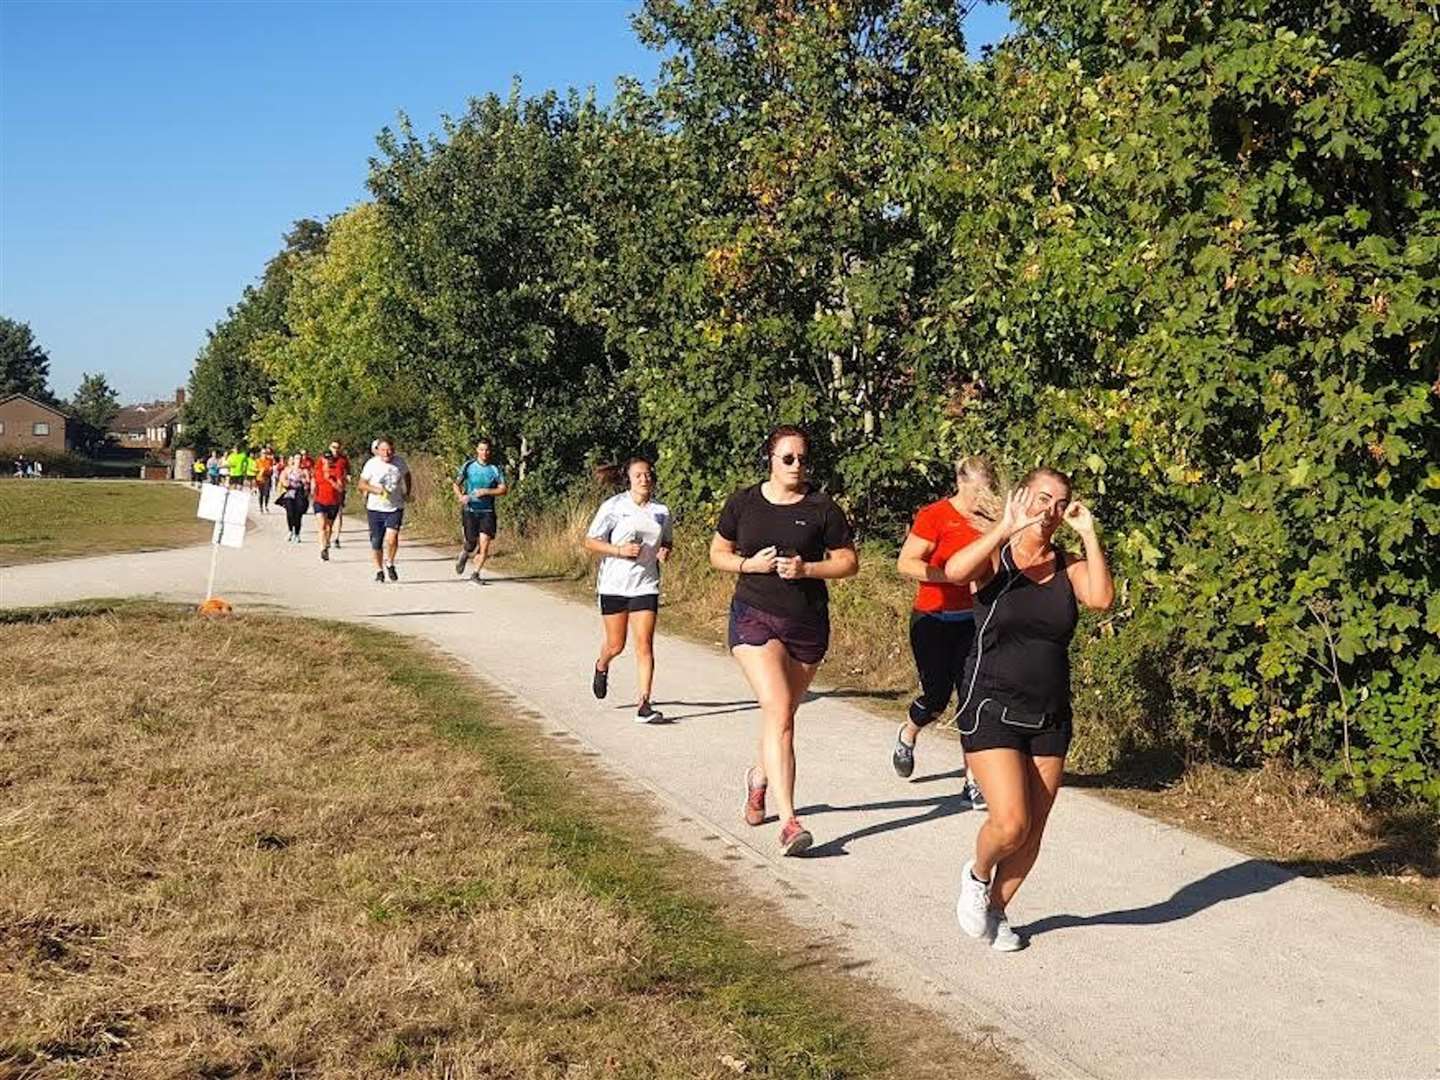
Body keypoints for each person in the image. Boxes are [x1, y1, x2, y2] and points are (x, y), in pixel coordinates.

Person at [944, 469, 1114, 952]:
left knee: (1034, 830)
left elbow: (1101, 598)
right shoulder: (995, 558)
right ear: (1023, 497)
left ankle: (996, 912)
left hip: (1050, 712)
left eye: (1060, 503)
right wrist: (1005, 526)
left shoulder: (1068, 565)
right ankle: (977, 876)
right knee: (1011, 823)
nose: (1051, 510)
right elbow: (955, 573)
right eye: (1043, 499)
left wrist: (1089, 534)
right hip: (991, 704)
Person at [709, 425, 858, 855]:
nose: (796, 466)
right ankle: (790, 822)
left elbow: (848, 563)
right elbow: (716, 553)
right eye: (788, 458)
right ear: (770, 459)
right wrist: (748, 566)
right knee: (779, 711)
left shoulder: (821, 508)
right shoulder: (744, 503)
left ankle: (759, 777)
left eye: (803, 458)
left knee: (782, 715)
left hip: (807, 624)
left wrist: (807, 570)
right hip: (754, 617)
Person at [892, 456, 998, 811]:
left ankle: (973, 781)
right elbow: (905, 563)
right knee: (937, 698)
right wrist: (949, 575)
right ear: (961, 482)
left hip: (973, 620)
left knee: (972, 697)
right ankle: (908, 732)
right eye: (976, 489)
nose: (982, 496)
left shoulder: (992, 521)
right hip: (933, 618)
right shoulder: (935, 515)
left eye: (988, 488)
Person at [585, 457, 674, 723]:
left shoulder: (662, 511)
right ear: (629, 480)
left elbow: (667, 539)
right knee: (616, 644)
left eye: (648, 475)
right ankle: (602, 666)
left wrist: (665, 550)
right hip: (614, 584)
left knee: (644, 645)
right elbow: (590, 541)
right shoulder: (613, 507)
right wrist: (619, 550)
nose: (645, 479)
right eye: (639, 475)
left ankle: (644, 704)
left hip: (645, 585)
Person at [452, 438, 508, 584]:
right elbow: (456, 485)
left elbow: (503, 489)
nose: (484, 452)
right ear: (477, 450)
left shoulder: (494, 469)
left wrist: (487, 491)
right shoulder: (469, 466)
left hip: (487, 511)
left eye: (487, 450)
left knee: (484, 544)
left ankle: (475, 574)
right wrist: (461, 496)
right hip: (470, 510)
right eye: (482, 449)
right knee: (471, 543)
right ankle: (464, 554)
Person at [358, 436, 411, 583]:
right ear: (378, 451)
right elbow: (361, 484)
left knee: (392, 538)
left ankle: (390, 563)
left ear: (394, 449)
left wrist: (407, 492)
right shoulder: (371, 464)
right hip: (375, 508)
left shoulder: (400, 462)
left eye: (389, 450)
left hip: (395, 507)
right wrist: (375, 490)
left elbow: (407, 475)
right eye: (383, 450)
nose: (387, 453)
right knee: (376, 541)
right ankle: (379, 570)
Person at [312, 447, 346, 561]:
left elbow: (340, 488)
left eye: (329, 459)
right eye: (325, 459)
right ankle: (322, 549)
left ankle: (326, 544)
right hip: (319, 501)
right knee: (321, 525)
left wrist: (331, 480)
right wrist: (312, 491)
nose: (327, 461)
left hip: (333, 502)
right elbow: (314, 484)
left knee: (329, 527)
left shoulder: (337, 470)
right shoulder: (317, 470)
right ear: (322, 459)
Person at [276, 453, 311, 543]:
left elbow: (308, 481)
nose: (298, 460)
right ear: (293, 460)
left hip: (300, 492)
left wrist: (305, 482)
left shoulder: (304, 471)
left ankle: (297, 533)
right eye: (296, 458)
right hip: (290, 492)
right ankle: (290, 530)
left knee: (298, 513)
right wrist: (285, 482)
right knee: (290, 512)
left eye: (300, 458)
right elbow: (282, 479)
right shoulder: (287, 470)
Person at [327, 440, 350, 547]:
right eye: (333, 447)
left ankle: (336, 538)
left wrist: (347, 477)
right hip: (326, 490)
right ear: (329, 447)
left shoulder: (343, 459)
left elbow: (348, 471)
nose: (335, 449)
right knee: (328, 516)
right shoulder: (325, 458)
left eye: (337, 447)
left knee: (339, 513)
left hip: (339, 490)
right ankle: (327, 536)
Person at [255, 449, 276, 513]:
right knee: (261, 493)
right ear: (261, 454)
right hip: (260, 478)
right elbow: (254, 469)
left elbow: (272, 467)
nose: (265, 454)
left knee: (267, 493)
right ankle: (261, 507)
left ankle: (266, 506)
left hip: (267, 478)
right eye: (263, 453)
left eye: (266, 453)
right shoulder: (258, 461)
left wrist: (270, 470)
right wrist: (260, 470)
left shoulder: (269, 460)